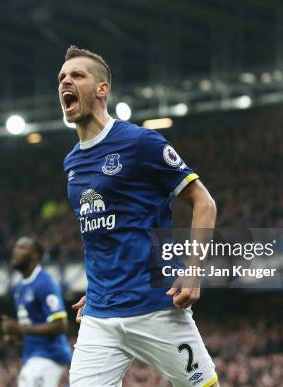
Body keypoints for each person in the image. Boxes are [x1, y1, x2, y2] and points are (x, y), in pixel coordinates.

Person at [59, 45, 219, 387]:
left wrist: (193, 272)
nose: (65, 81)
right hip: (100, 315)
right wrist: (97, 285)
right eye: (62, 77)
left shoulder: (140, 143)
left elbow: (204, 202)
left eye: (77, 75)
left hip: (155, 305)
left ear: (102, 89)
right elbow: (99, 236)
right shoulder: (72, 162)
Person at [1, 236, 72, 387]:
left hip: (49, 355)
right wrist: (16, 337)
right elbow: (32, 326)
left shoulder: (45, 282)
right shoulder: (20, 288)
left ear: (35, 255)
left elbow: (60, 325)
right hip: (33, 355)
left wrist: (20, 328)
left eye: (22, 247)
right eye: (15, 247)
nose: (15, 251)